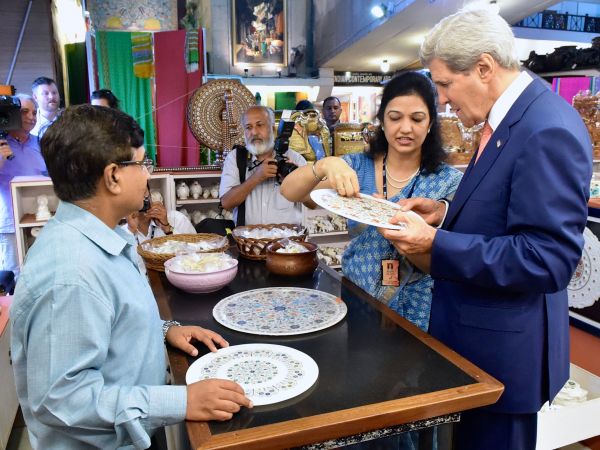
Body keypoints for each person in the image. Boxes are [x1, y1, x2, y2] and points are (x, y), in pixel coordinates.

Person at [379, 7, 593, 450]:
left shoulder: (544, 128)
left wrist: (436, 242)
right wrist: (444, 210)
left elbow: (547, 259)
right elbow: (508, 202)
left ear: (483, 67)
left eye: (443, 84)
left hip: (504, 358)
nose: (441, 101)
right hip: (482, 345)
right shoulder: (510, 119)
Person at [10, 105, 252, 449]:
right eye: (141, 164)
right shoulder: (71, 273)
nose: (148, 175)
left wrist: (164, 331)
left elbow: (111, 322)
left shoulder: (103, 238)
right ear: (113, 176)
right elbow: (63, 400)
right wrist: (181, 401)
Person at [281, 72, 462, 332]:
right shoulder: (357, 167)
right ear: (382, 122)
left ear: (431, 123)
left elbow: (442, 265)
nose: (405, 128)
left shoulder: (448, 183)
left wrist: (406, 241)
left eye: (417, 118)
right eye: (395, 117)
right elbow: (290, 191)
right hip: (360, 298)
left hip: (419, 310)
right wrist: (323, 165)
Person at [219, 105, 308, 226]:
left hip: (287, 242)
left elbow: (312, 202)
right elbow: (226, 203)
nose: (254, 132)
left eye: (260, 125)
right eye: (248, 127)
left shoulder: (295, 159)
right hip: (248, 242)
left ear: (273, 128)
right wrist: (256, 177)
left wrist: (293, 183)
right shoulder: (236, 158)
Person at [0, 94, 47, 278]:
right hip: (10, 224)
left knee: (42, 273)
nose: (31, 117)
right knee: (15, 276)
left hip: (41, 219)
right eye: (24, 112)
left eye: (35, 112)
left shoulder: (42, 143)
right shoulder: (1, 144)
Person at [125, 199, 196, 273]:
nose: (142, 201)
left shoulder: (176, 219)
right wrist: (131, 231)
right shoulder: (124, 234)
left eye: (144, 193)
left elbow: (197, 253)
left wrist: (167, 228)